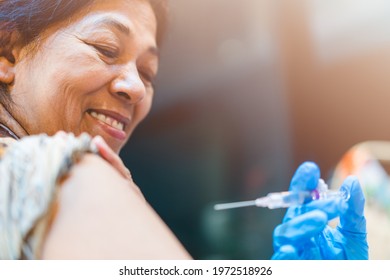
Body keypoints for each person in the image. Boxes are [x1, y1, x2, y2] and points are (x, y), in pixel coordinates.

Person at [0, 0, 368, 259]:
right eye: (106, 48)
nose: (137, 87)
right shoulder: (61, 171)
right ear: (7, 52)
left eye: (148, 73)